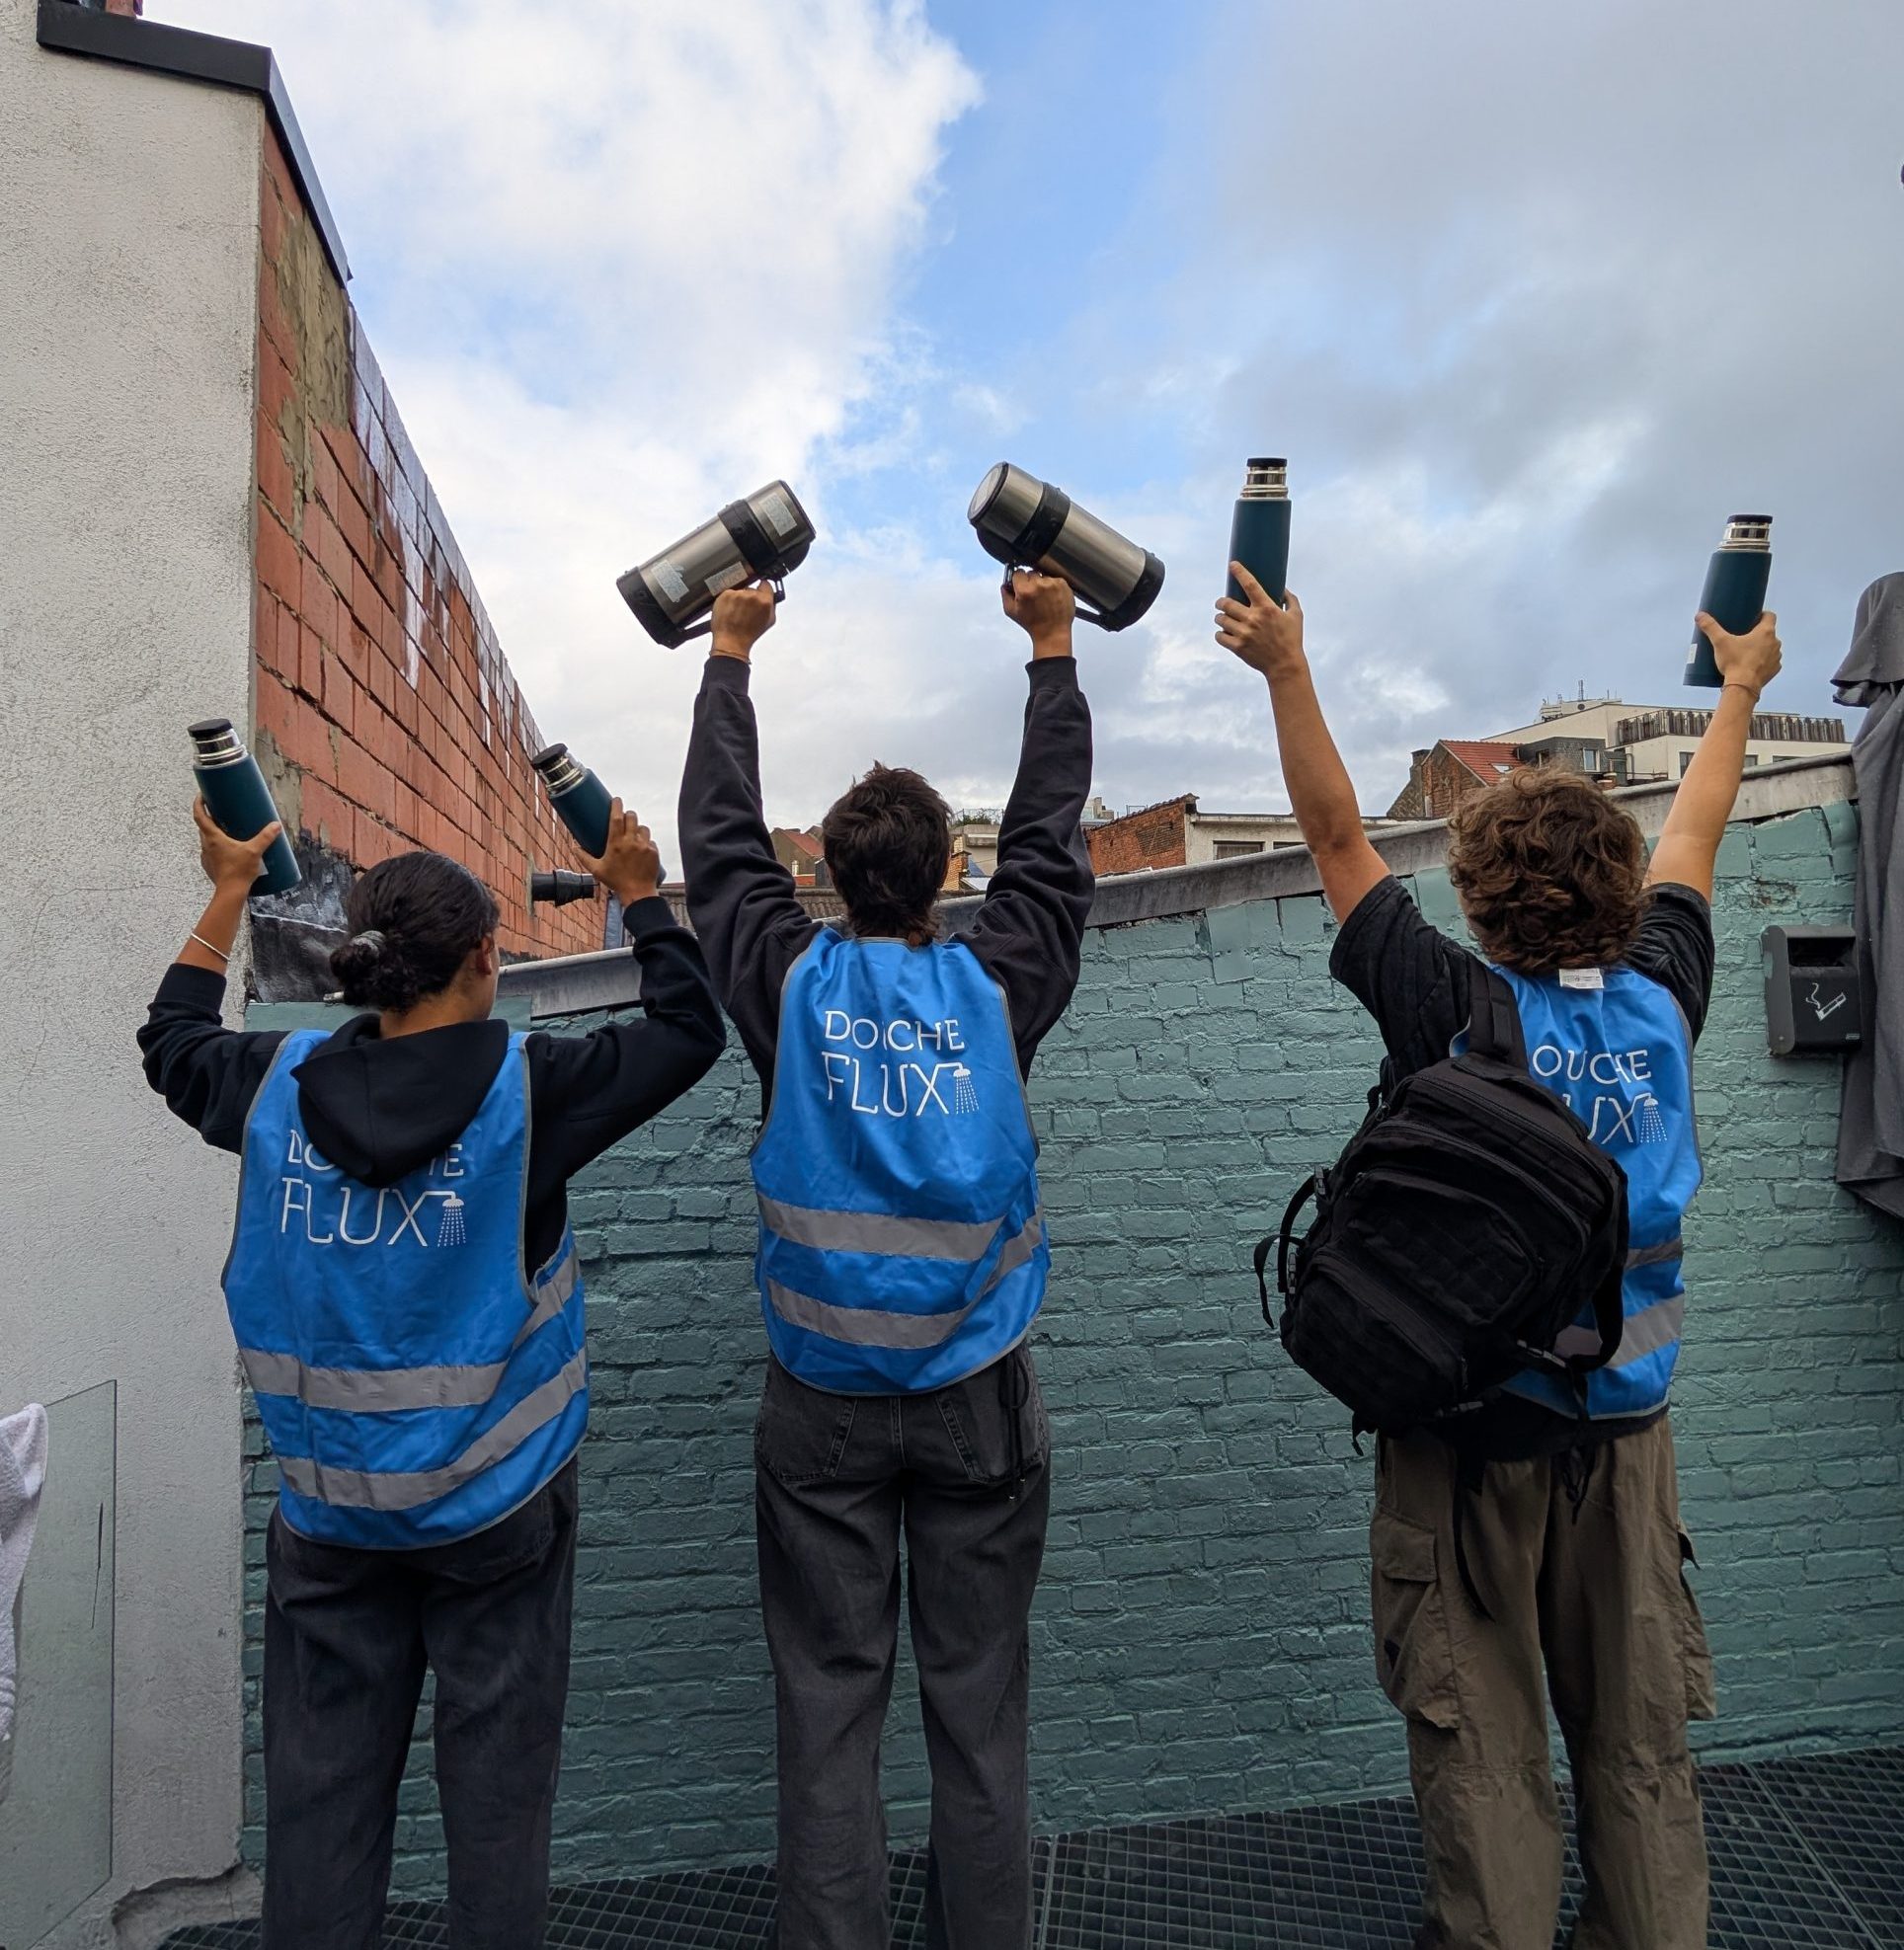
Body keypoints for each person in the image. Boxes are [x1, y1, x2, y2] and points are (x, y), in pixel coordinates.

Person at [1214, 566, 1784, 1950]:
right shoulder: (1664, 1000)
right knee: (1642, 1756)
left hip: (1472, 1448)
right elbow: (1700, 826)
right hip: (1631, 1447)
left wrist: (1285, 664)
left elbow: (1336, 831)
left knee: (1485, 1760)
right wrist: (1745, 686)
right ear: (1623, 892)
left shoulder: (1450, 1007)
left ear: (1475, 896)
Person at [139, 798, 724, 1948]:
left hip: (327, 1522)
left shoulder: (270, 1087)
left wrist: (224, 889)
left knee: (318, 1819)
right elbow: (689, 1025)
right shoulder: (533, 1091)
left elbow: (170, 1038)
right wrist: (639, 889)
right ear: (480, 961)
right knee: (498, 1815)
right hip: (497, 1521)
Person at [678, 571, 1094, 1950]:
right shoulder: (999, 981)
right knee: (979, 1708)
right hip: (979, 1394)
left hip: (820, 1407)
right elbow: (1051, 843)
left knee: (828, 1707)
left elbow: (719, 843)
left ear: (828, 878)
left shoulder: (783, 984)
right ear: (946, 878)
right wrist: (1049, 649)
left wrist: (729, 653)